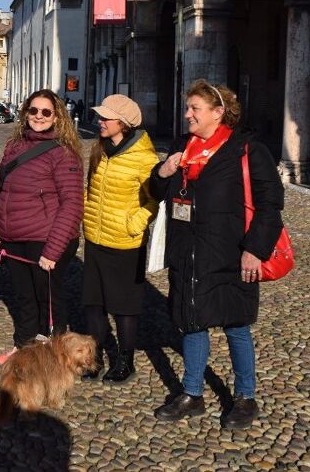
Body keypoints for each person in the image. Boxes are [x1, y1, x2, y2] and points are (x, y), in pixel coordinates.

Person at [150, 80, 284, 430]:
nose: (187, 114)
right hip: (188, 251)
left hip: (232, 252)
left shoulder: (247, 149)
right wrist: (161, 172)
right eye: (188, 107)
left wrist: (255, 250)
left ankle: (244, 397)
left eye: (194, 107)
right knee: (191, 320)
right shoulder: (184, 145)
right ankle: (192, 393)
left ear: (218, 112)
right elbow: (159, 191)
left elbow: (271, 204)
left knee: (235, 323)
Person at [0, 90, 84, 363]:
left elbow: (72, 204)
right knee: (24, 298)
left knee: (48, 299)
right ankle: (25, 348)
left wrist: (53, 250)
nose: (39, 116)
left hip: (46, 237)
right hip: (12, 235)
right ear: (26, 113)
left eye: (46, 112)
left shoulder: (64, 153)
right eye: (34, 110)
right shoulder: (14, 146)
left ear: (57, 116)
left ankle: (54, 356)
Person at [81, 94, 159, 383]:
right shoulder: (99, 150)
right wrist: (87, 215)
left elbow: (154, 201)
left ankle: (125, 361)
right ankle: (94, 358)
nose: (99, 122)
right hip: (95, 237)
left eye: (105, 118)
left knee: (124, 307)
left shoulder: (145, 158)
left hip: (126, 243)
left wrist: (134, 224)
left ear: (123, 124)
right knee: (93, 303)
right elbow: (90, 187)